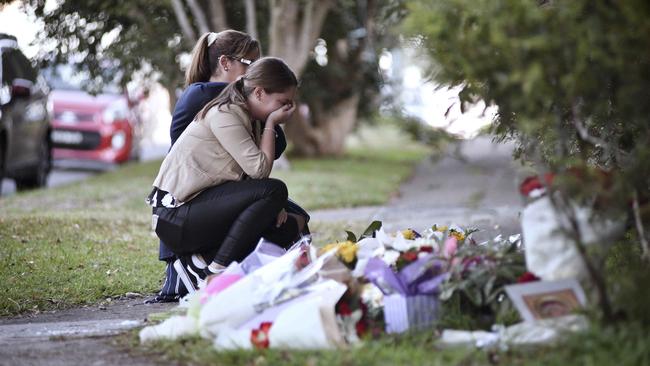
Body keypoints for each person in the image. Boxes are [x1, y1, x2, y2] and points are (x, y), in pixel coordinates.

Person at [150, 31, 306, 302]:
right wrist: (271, 124)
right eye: (282, 104)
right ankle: (213, 272)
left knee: (290, 224)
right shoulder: (225, 112)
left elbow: (247, 176)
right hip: (176, 215)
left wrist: (275, 209)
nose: (286, 112)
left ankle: (207, 265)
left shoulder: (249, 114)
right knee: (274, 190)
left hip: (204, 204)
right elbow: (259, 171)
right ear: (258, 92)